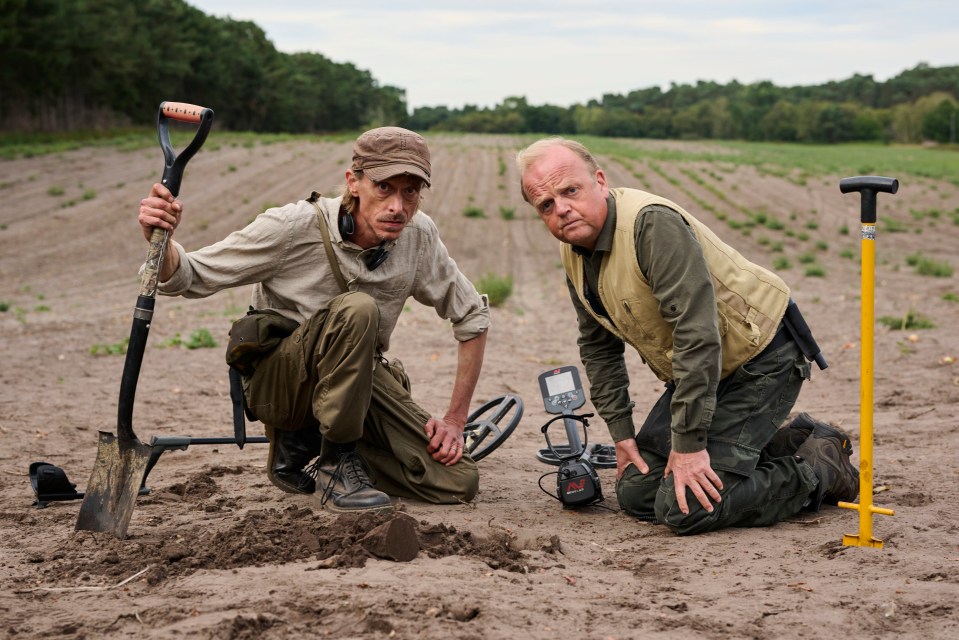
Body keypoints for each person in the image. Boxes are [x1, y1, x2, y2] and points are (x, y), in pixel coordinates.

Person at [516, 137, 858, 535]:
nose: (562, 209)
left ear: (600, 180)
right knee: (636, 491)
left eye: (570, 191)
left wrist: (690, 446)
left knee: (687, 508)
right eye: (546, 205)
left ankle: (819, 469)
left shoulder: (650, 225)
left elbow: (696, 336)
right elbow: (597, 346)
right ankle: (783, 442)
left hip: (761, 356)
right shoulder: (574, 248)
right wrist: (622, 433)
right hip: (704, 370)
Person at [138, 126, 490, 513]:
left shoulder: (418, 236)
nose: (398, 206)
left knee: (458, 482)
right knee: (357, 308)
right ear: (353, 182)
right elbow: (189, 275)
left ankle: (312, 452)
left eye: (411, 192)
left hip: (352, 385)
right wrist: (163, 239)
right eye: (384, 187)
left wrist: (455, 420)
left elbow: (472, 315)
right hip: (282, 387)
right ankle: (330, 458)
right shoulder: (292, 226)